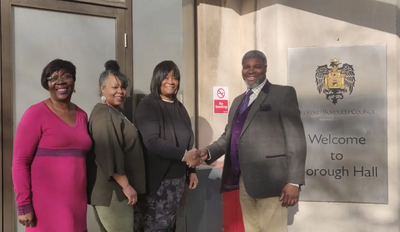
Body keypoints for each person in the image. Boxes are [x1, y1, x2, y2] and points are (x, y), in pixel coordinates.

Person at [198, 50, 307, 232]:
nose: (251, 71)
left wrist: (294, 182)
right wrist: (207, 152)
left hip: (273, 182)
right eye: (247, 67)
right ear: (242, 70)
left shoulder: (282, 94)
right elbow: (229, 137)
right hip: (244, 182)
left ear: (265, 69)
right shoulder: (238, 102)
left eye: (257, 67)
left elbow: (296, 139)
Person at [12, 59, 92, 231]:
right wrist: (23, 205)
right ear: (47, 84)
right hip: (45, 207)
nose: (60, 81)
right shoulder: (35, 114)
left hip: (77, 206)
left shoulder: (82, 115)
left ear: (73, 81)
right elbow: (20, 162)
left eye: (66, 76)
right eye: (53, 78)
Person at [134, 60, 199, 232]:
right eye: (166, 77)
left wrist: (191, 171)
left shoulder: (179, 107)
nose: (171, 81)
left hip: (178, 183)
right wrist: (184, 156)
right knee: (154, 227)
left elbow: (188, 140)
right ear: (157, 78)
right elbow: (152, 141)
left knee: (170, 226)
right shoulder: (148, 105)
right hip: (157, 183)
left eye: (175, 78)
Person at [87, 60, 146, 232]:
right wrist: (126, 186)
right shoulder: (104, 114)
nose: (120, 91)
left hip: (116, 192)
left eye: (123, 87)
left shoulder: (114, 111)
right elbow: (108, 154)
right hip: (113, 193)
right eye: (115, 87)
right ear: (102, 88)